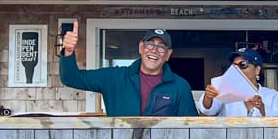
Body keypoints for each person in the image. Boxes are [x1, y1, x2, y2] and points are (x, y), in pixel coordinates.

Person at [57, 24, 198, 117]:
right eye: (150, 44)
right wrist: (68, 51)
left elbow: (192, 128)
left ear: (168, 54)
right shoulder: (114, 78)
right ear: (141, 48)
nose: (154, 50)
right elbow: (71, 78)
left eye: (161, 47)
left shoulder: (180, 86)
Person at [199, 47, 278, 117]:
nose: (238, 69)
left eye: (243, 65)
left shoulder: (272, 95)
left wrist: (262, 109)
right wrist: (208, 97)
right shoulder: (225, 89)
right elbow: (207, 111)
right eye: (234, 66)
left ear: (257, 70)